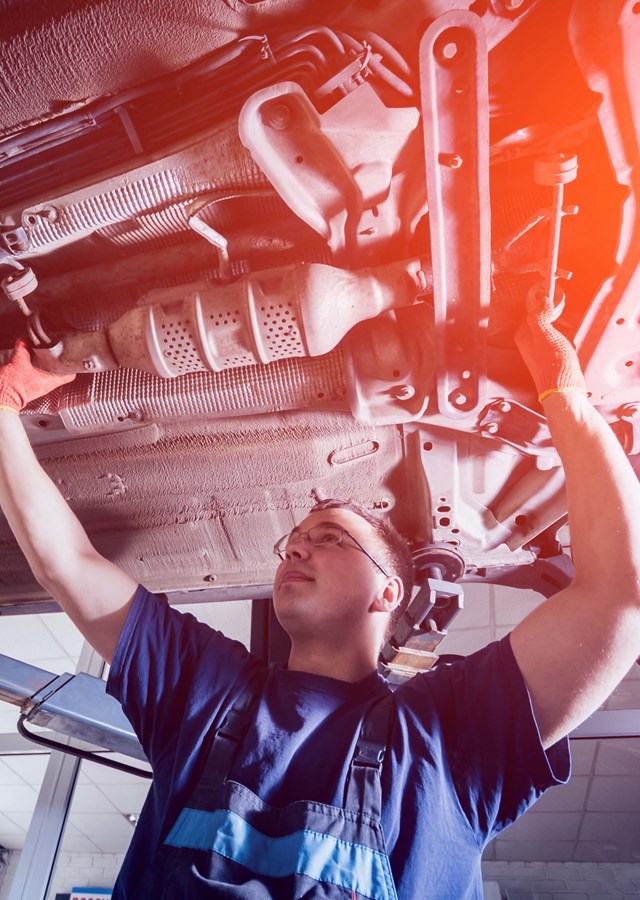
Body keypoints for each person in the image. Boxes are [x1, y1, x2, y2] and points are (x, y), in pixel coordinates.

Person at [0, 291, 639, 899]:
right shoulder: (206, 688)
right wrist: (5, 405)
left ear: (390, 592)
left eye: (328, 537)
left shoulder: (451, 737)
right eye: (295, 541)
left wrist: (568, 397)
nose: (296, 548)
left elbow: (619, 594)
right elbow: (68, 563)